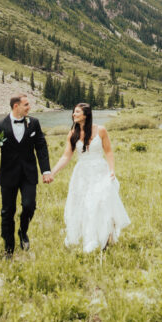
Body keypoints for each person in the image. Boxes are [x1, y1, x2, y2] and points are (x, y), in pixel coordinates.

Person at [50, 103, 131, 252]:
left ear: (86, 115)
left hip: (100, 172)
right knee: (84, 205)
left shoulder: (101, 130)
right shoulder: (72, 134)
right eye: (74, 112)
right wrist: (52, 172)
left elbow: (109, 152)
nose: (74, 115)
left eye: (77, 112)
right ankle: (91, 238)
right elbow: (66, 156)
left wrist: (112, 170)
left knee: (100, 203)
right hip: (82, 174)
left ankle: (104, 237)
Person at [0, 94, 51, 257]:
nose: (29, 107)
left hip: (28, 174)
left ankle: (23, 231)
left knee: (29, 205)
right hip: (8, 175)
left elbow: (41, 147)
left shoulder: (34, 123)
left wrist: (46, 171)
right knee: (7, 211)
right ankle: (8, 248)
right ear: (16, 106)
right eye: (26, 105)